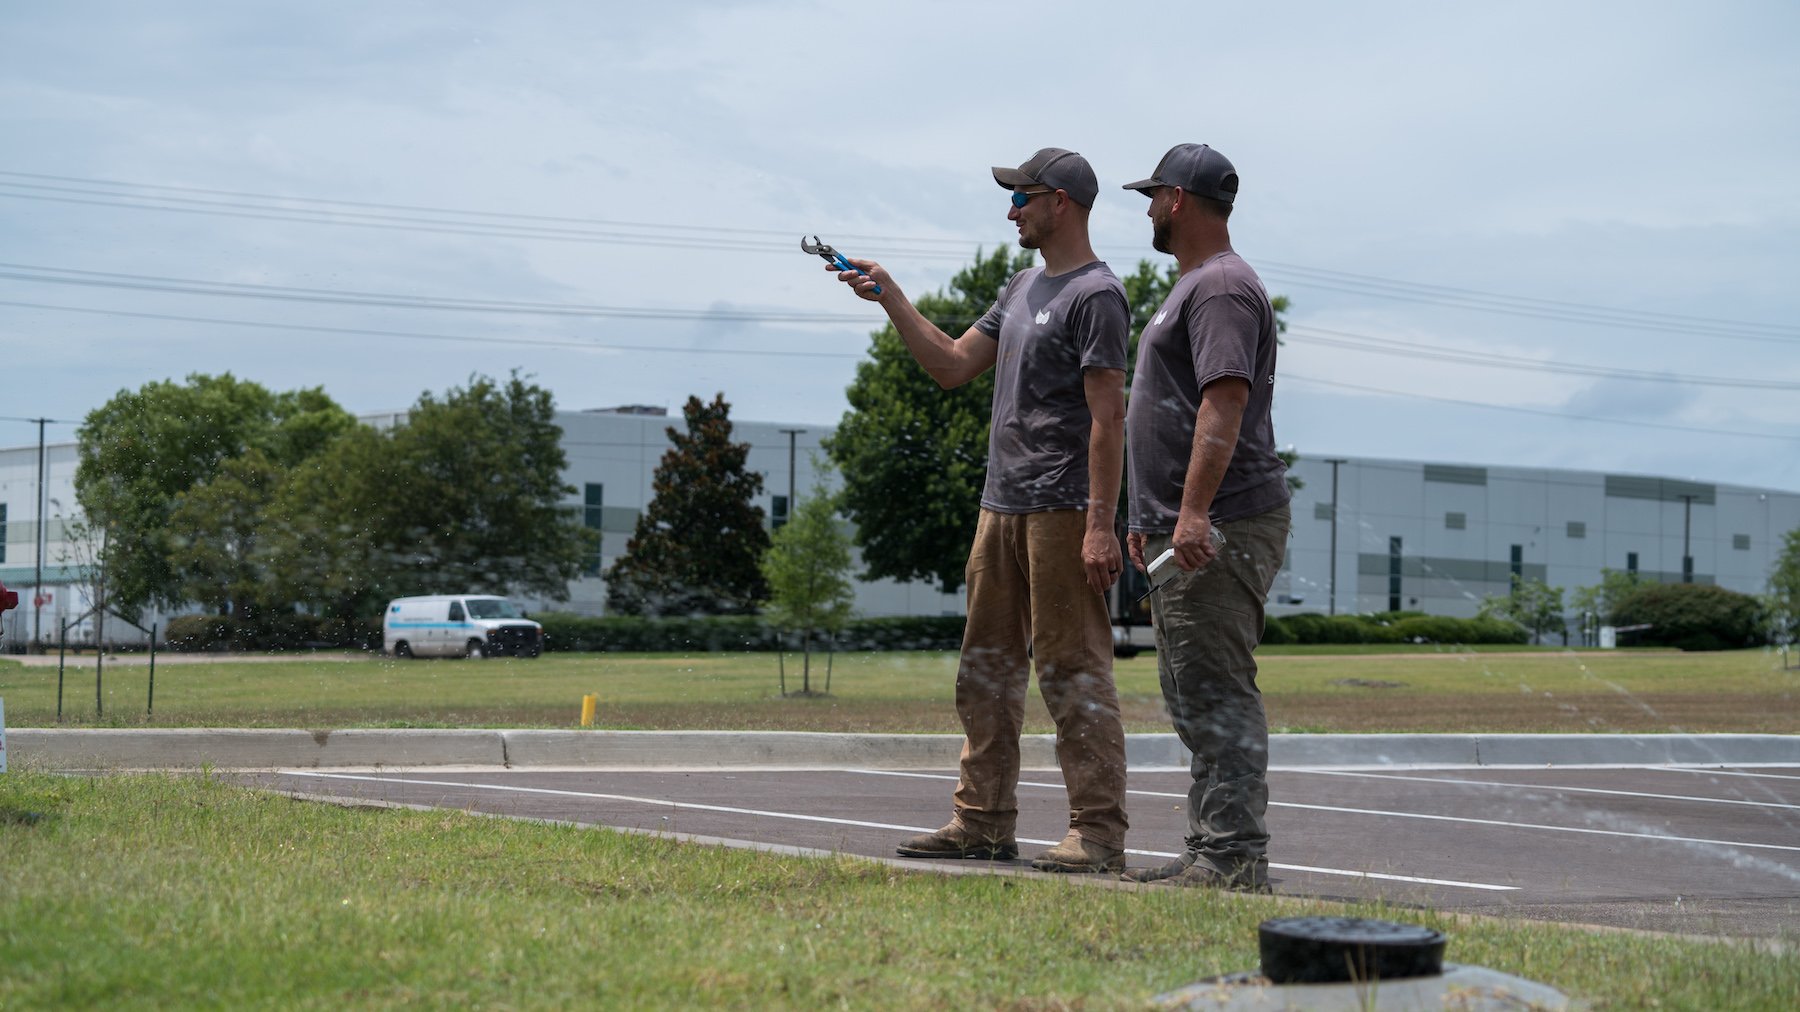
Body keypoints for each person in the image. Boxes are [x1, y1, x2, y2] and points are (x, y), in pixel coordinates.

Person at [828, 148, 1131, 873]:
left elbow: (1108, 418)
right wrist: (891, 296)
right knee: (985, 670)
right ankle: (982, 822)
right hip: (1001, 506)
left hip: (1062, 509)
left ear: (1060, 202)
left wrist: (1099, 523)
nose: (1011, 211)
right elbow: (953, 365)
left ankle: (1096, 834)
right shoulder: (1022, 285)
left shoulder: (1099, 295)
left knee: (1071, 668)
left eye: (1021, 197)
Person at [1117, 143, 1292, 890]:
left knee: (1216, 688)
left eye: (1153, 195)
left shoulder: (1219, 287)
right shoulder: (1196, 285)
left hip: (1218, 525)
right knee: (1193, 691)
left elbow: (1225, 400)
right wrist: (1148, 513)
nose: (1149, 208)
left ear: (1179, 199)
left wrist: (1190, 513)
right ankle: (1209, 850)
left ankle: (1232, 857)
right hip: (1183, 525)